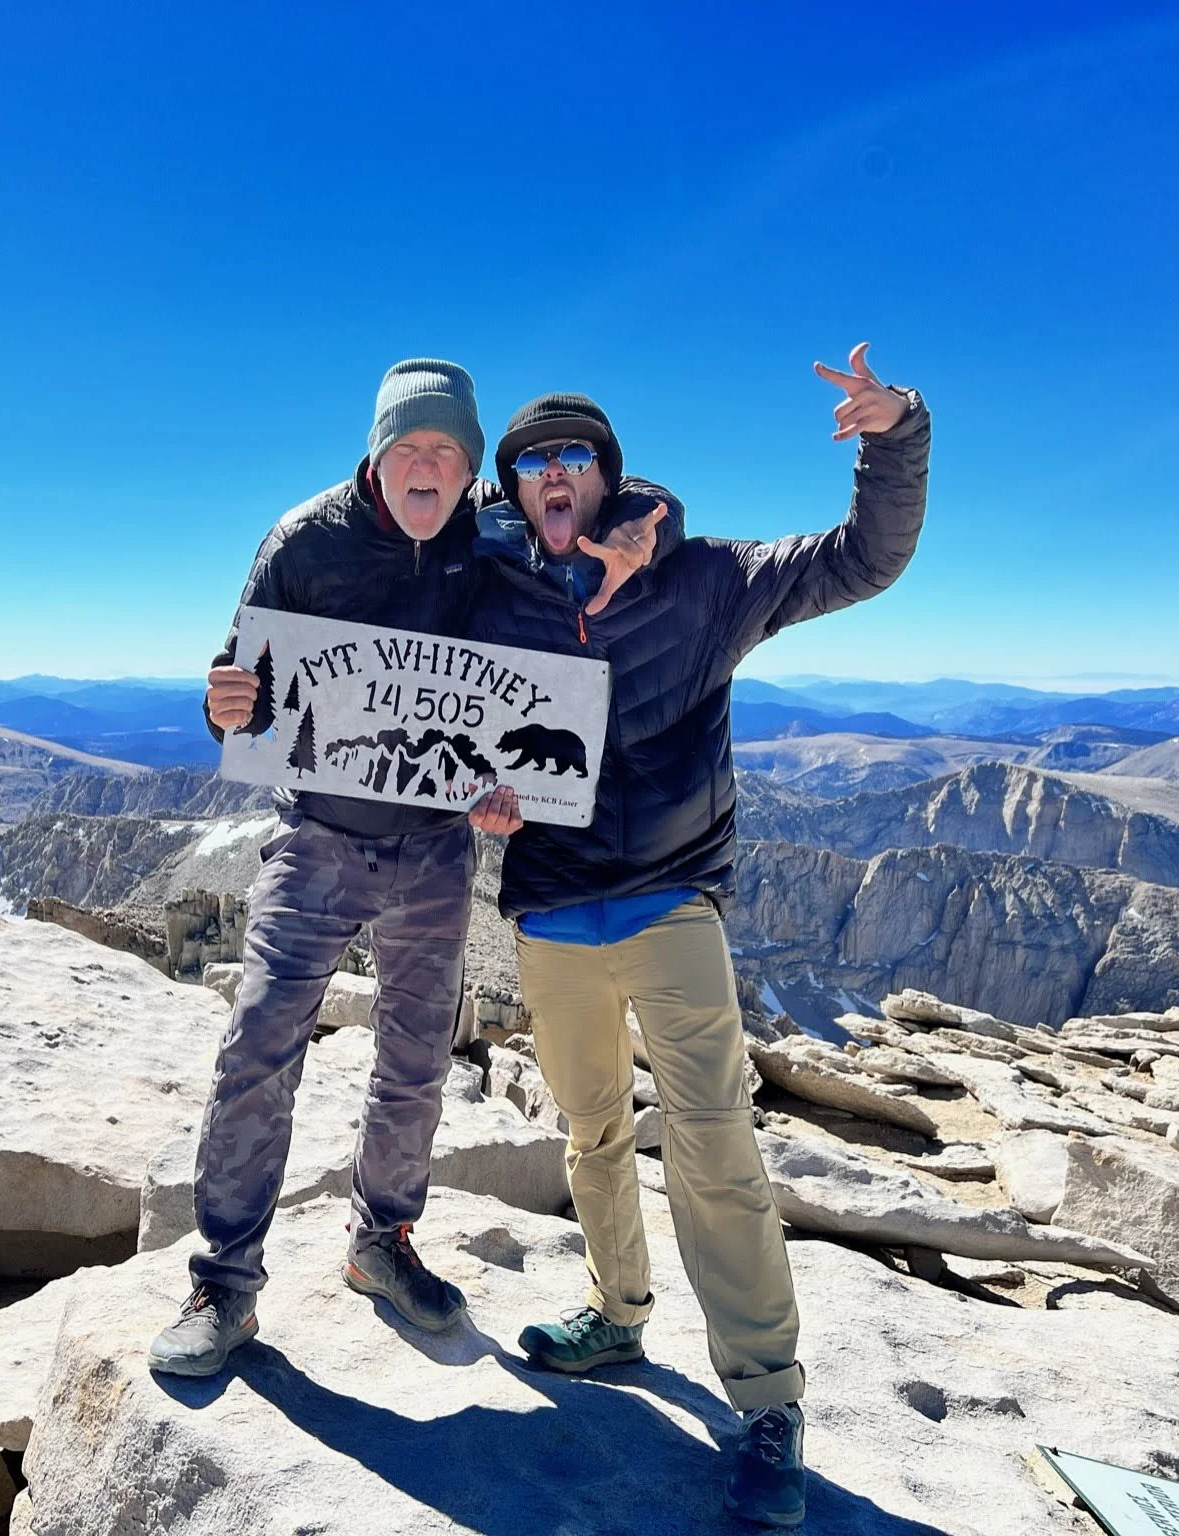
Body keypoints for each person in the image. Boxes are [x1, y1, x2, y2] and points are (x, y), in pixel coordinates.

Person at [466, 345, 930, 1528]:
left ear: (607, 476)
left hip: (672, 898)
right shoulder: (491, 594)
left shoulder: (707, 578)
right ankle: (617, 1317)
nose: (553, 472)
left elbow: (860, 559)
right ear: (512, 488)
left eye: (574, 455)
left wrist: (895, 434)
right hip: (554, 909)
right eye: (531, 461)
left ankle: (768, 1402)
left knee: (717, 1148)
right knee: (588, 1128)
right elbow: (411, 703)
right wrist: (477, 790)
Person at [151, 359, 671, 1378]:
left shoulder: (488, 527)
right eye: (411, 447)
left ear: (470, 466)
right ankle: (223, 1281)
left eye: (449, 450)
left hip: (437, 843)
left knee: (419, 1054)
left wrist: (514, 778)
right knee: (260, 1042)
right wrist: (218, 702)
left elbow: (629, 504)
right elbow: (244, 686)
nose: (428, 464)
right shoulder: (303, 541)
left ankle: (381, 1244)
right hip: (317, 839)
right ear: (378, 452)